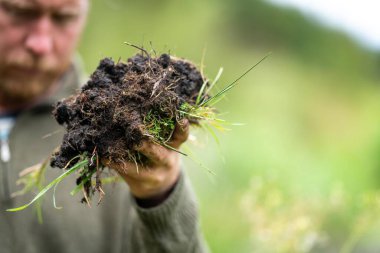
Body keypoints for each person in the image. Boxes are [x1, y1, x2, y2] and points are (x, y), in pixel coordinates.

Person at [0, 0, 208, 252]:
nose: (40, 43)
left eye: (64, 17)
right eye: (19, 12)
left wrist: (160, 193)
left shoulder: (107, 130)